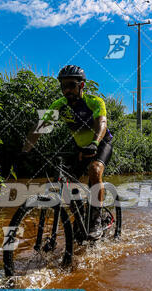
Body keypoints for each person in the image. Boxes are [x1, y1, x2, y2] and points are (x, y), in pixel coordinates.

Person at [23, 65, 113, 240]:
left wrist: (94, 143)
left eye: (71, 85)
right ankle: (80, 221)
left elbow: (102, 124)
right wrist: (25, 150)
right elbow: (40, 127)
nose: (67, 90)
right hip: (80, 148)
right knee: (68, 184)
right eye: (63, 86)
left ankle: (95, 220)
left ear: (81, 86)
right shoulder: (60, 105)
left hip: (101, 143)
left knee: (95, 171)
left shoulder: (94, 102)